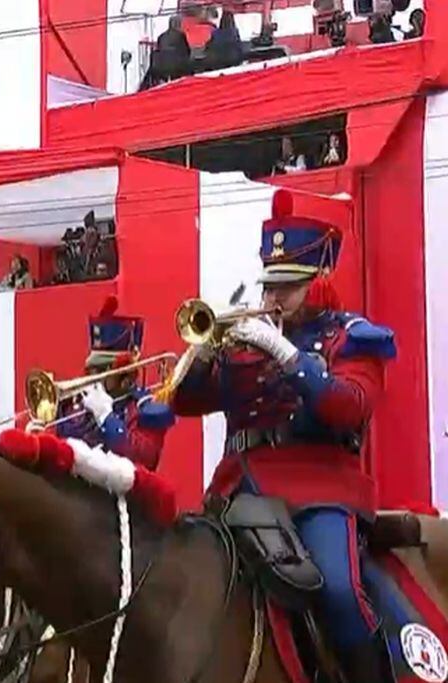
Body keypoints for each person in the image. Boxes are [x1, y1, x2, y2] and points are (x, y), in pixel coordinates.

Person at [172, 191, 396, 683]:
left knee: (338, 588)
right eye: (270, 285)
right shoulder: (247, 338)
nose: (274, 298)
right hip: (240, 485)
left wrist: (291, 359)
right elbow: (183, 404)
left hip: (320, 488)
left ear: (321, 281)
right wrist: (204, 356)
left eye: (288, 286)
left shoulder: (353, 337)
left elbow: (349, 407)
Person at [54, 297, 175, 470]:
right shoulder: (77, 407)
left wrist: (105, 416)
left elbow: (144, 458)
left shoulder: (146, 408)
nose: (93, 377)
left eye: (102, 371)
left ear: (125, 377)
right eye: (91, 370)